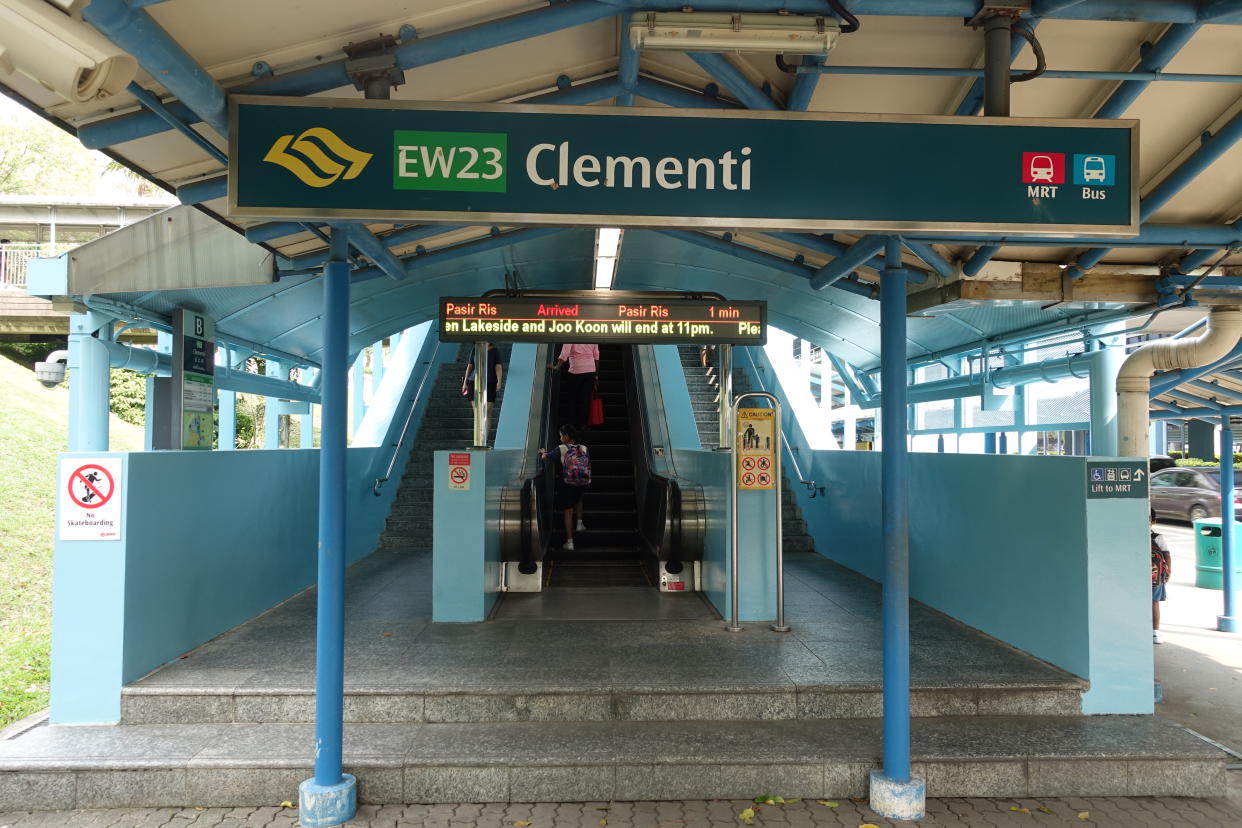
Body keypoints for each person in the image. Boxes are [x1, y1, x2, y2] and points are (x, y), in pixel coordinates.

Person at [539, 424, 590, 551]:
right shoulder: (584, 448)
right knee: (579, 499)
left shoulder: (562, 448)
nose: (560, 438)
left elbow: (545, 457)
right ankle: (579, 523)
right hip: (580, 481)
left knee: (567, 511)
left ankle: (570, 542)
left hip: (566, 483)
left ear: (566, 436)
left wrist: (543, 452)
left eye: (561, 435)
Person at [550, 343, 599, 429]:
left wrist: (557, 367)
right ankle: (583, 425)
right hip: (590, 371)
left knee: (572, 399)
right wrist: (596, 375)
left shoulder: (572, 334)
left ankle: (571, 424)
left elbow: (564, 353)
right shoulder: (591, 334)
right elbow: (596, 356)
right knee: (585, 400)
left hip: (575, 371)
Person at [462, 343, 503, 424]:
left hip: (490, 382)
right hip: (474, 381)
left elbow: (498, 367)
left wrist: (499, 381)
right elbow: (470, 366)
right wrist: (464, 382)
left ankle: (485, 436)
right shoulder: (475, 349)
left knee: (487, 411)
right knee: (477, 411)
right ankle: (478, 435)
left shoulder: (495, 351)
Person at [1151, 509, 1171, 644]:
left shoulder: (1134, 535)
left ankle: (1153, 630)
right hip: (1155, 576)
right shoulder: (1158, 537)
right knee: (1154, 603)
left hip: (1146, 576)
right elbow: (1167, 555)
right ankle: (1155, 632)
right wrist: (1168, 572)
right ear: (1154, 521)